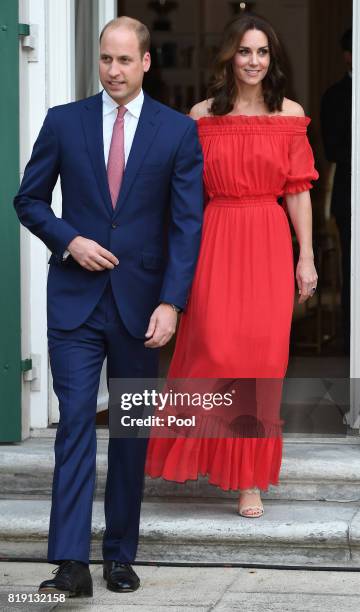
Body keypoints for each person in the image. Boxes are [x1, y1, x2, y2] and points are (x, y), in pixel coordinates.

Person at [14, 17, 203, 597]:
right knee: (74, 424)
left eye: (124, 60)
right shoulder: (63, 122)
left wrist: (172, 302)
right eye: (105, 60)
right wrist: (68, 238)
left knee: (128, 430)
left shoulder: (176, 133)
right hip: (74, 301)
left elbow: (186, 225)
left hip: (142, 307)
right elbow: (29, 199)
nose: (113, 71)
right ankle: (70, 563)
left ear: (146, 63)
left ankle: (119, 554)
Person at [146, 14, 318, 518]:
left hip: (267, 239)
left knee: (261, 364)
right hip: (215, 239)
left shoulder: (290, 114)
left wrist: (305, 257)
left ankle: (248, 480)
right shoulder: (201, 116)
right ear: (229, 57)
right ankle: (201, 455)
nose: (254, 61)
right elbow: (184, 197)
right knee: (214, 352)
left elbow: (299, 190)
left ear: (273, 60)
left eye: (262, 52)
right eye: (245, 52)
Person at [320, 28, 352, 355]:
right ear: (347, 56)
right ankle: (351, 344)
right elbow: (333, 149)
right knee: (352, 274)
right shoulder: (335, 96)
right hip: (350, 197)